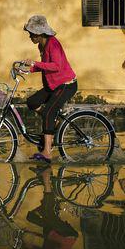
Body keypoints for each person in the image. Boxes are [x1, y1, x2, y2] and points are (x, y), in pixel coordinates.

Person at [22, 15, 77, 163]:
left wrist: (35, 63)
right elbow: (46, 66)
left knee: (47, 113)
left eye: (32, 34)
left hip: (66, 84)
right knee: (32, 102)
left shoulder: (53, 44)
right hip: (53, 84)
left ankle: (47, 152)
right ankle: (54, 121)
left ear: (40, 33)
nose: (30, 37)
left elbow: (56, 66)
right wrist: (30, 70)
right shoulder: (42, 45)